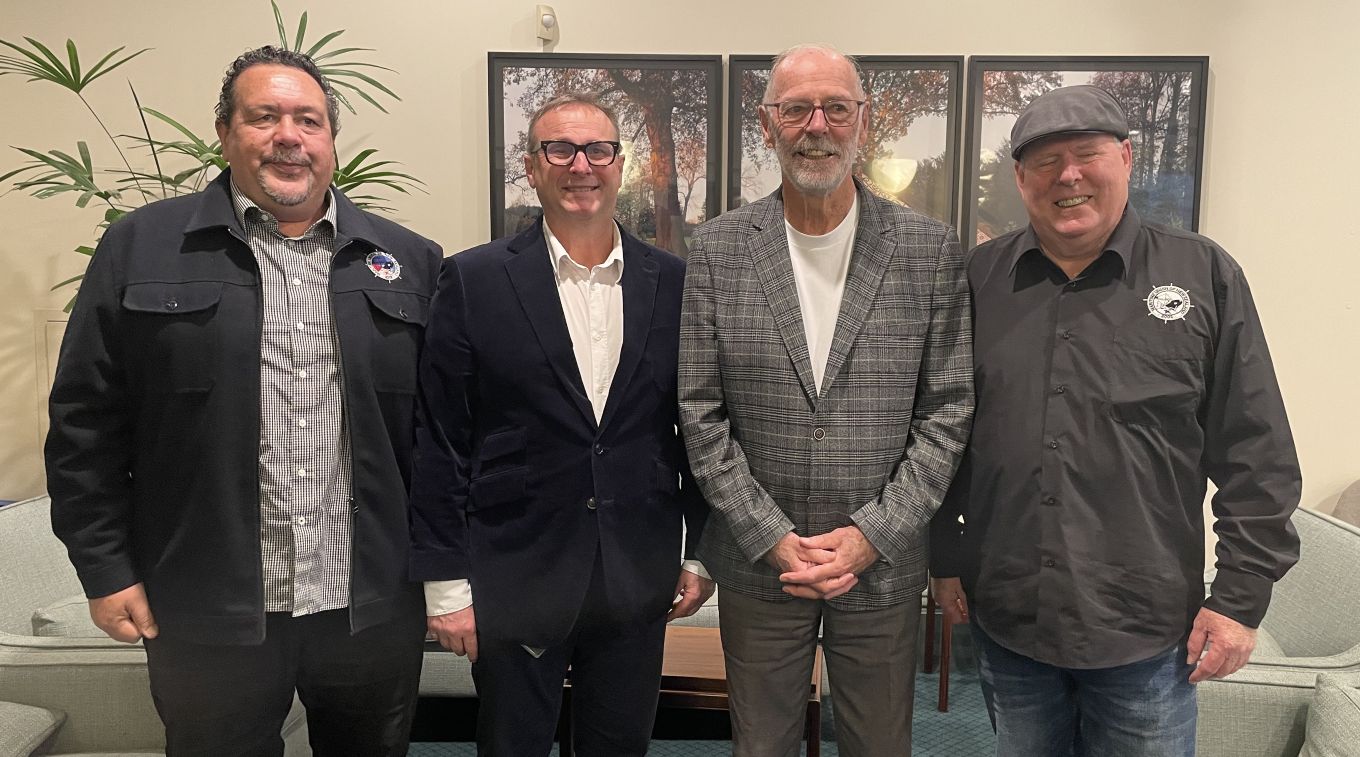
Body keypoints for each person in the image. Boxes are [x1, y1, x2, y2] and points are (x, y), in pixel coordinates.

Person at [44, 46, 441, 756]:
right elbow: (84, 425)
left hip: (369, 608)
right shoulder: (141, 246)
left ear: (331, 142)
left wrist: (447, 577)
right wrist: (105, 569)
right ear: (226, 133)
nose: (289, 135)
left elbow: (445, 438)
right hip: (204, 607)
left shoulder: (409, 262)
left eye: (308, 119)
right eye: (264, 116)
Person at [929, 84, 1301, 756]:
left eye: (1086, 154)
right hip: (1012, 621)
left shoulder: (1204, 275)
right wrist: (947, 556)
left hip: (1147, 633)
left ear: (1126, 158)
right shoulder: (978, 280)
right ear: (1020, 178)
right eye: (1044, 162)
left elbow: (1259, 453)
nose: (1067, 176)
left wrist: (1240, 597)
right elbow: (948, 432)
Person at [678, 45, 973, 756]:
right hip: (759, 564)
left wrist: (873, 535)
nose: (818, 125)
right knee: (761, 744)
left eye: (836, 107)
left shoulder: (928, 250)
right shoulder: (717, 249)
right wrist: (772, 537)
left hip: (882, 564)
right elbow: (700, 411)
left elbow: (948, 409)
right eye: (797, 109)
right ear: (767, 123)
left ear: (862, 121)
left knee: (878, 743)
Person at [408, 93, 713, 756]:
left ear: (620, 163)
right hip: (516, 573)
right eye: (560, 149)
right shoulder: (473, 280)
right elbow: (441, 438)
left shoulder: (674, 282)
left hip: (637, 574)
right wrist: (445, 584)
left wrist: (699, 548)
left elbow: (697, 425)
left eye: (597, 149)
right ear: (532, 165)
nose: (582, 165)